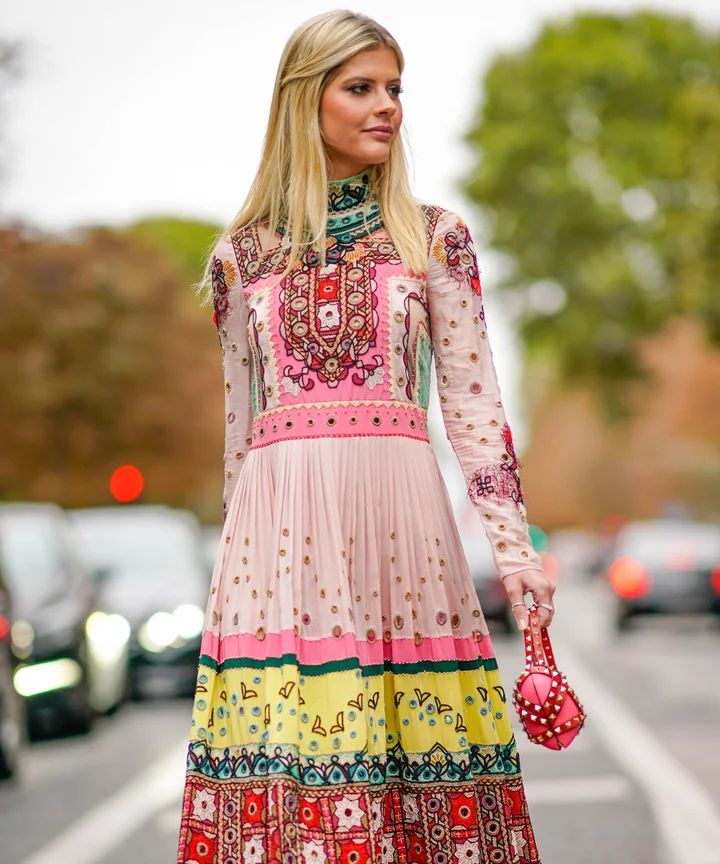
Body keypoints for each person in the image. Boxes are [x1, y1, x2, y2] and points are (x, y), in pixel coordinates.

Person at [177, 10, 554, 864]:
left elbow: (474, 407)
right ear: (304, 102)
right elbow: (240, 425)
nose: (386, 106)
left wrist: (515, 555)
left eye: (394, 89)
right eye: (361, 88)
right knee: (298, 775)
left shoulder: (437, 239)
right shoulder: (240, 260)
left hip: (402, 533)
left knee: (414, 778)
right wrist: (232, 572)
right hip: (276, 542)